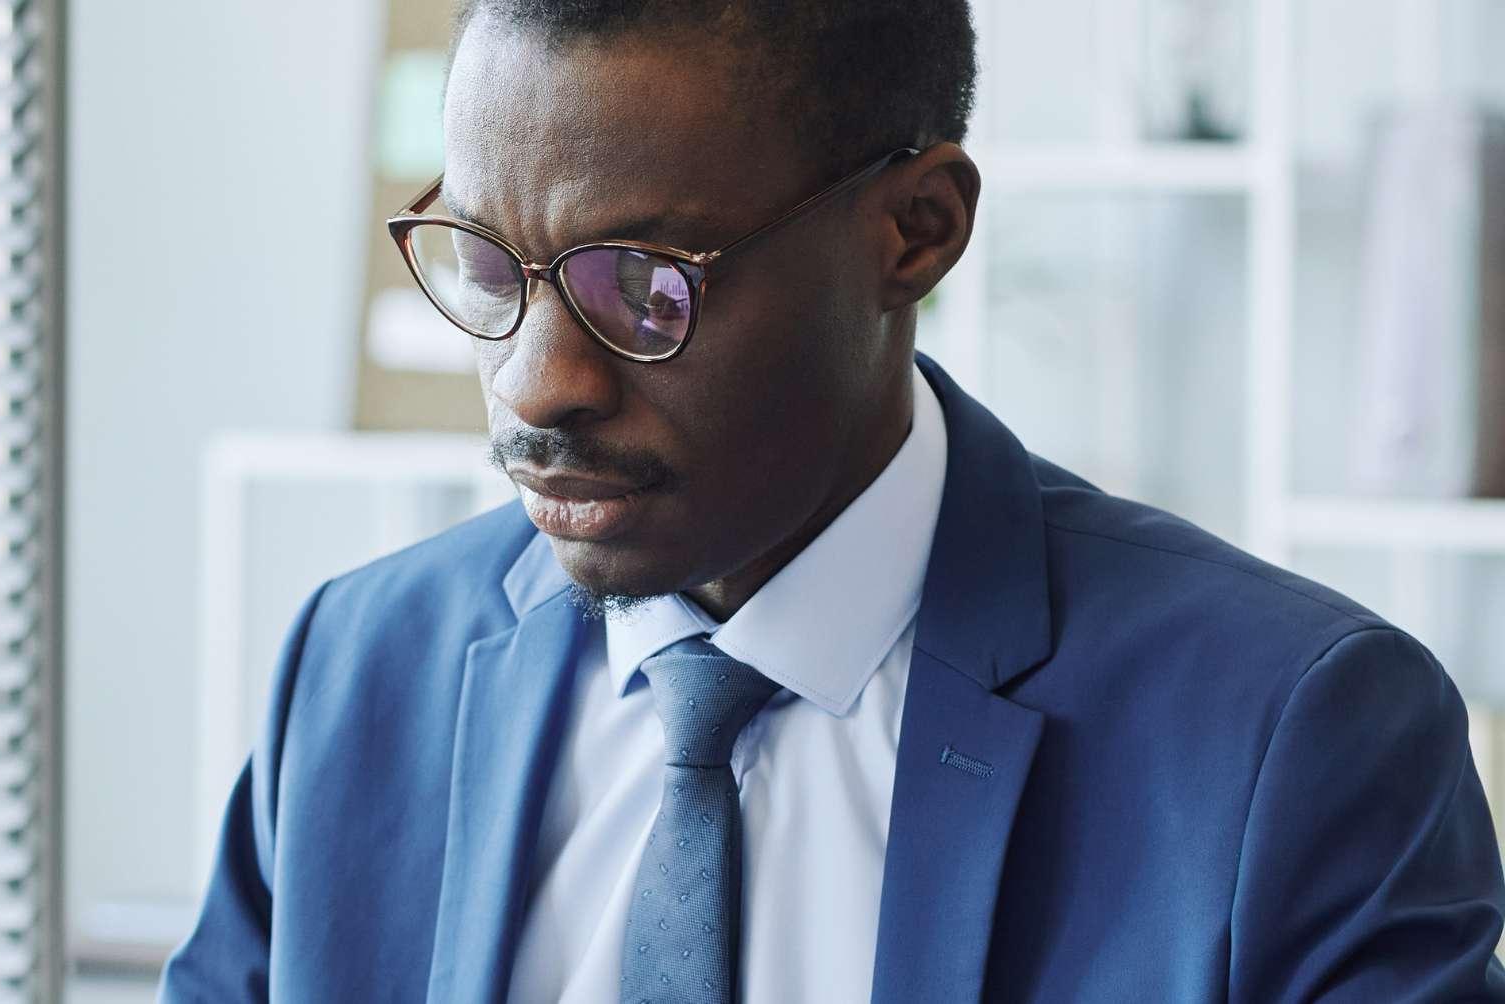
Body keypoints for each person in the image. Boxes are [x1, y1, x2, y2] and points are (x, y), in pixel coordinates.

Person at [157, 2, 1505, 1002]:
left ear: (914, 231)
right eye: (490, 270)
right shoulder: (356, 672)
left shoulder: (1291, 742)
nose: (539, 383)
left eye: (642, 284)